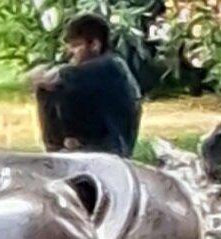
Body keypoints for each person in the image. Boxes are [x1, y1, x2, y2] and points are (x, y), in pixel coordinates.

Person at [30, 13, 143, 157]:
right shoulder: (92, 73)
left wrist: (42, 75)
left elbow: (56, 76)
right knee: (51, 89)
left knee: (53, 85)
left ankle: (63, 150)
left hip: (112, 151)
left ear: (95, 45)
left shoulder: (110, 67)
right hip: (98, 142)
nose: (71, 52)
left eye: (76, 45)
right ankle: (59, 149)